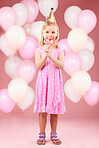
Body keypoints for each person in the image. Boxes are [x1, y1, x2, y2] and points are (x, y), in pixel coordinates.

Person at [33, 8, 66, 145]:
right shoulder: (39, 50)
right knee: (42, 110)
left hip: (55, 83)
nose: (50, 34)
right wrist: (45, 55)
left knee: (54, 110)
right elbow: (38, 66)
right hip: (43, 83)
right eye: (47, 32)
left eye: (53, 32)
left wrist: (52, 57)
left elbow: (61, 65)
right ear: (43, 33)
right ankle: (41, 134)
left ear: (57, 33)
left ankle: (54, 133)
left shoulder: (59, 51)